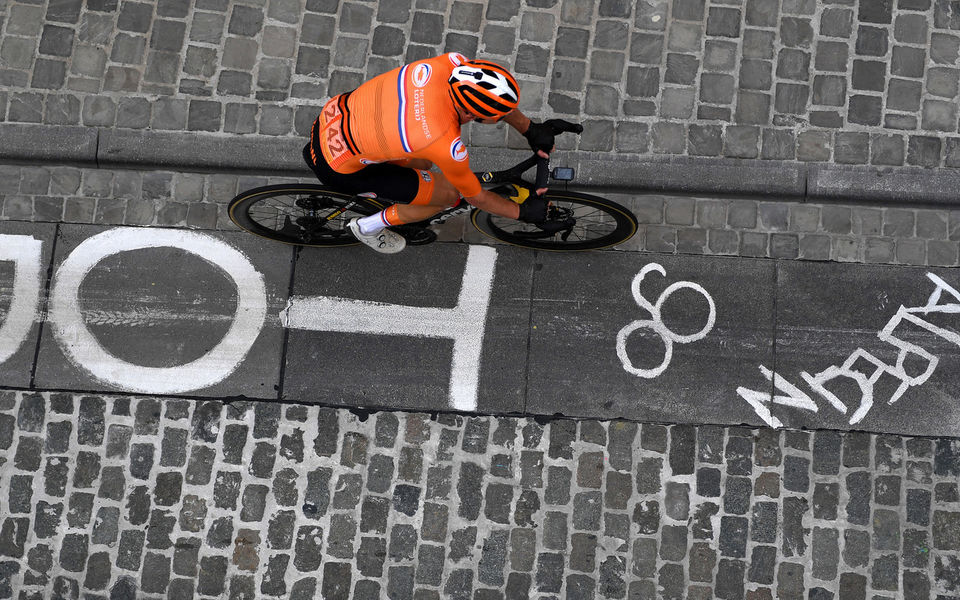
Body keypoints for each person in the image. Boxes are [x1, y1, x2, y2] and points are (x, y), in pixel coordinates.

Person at [303, 52, 565, 253]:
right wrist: (522, 214)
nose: (497, 120)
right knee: (448, 195)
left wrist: (530, 129)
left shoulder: (452, 63)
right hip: (337, 166)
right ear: (473, 115)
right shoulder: (443, 141)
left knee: (424, 164)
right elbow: (476, 197)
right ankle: (368, 227)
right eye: (492, 118)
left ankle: (401, 192)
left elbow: (488, 97)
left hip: (331, 119)